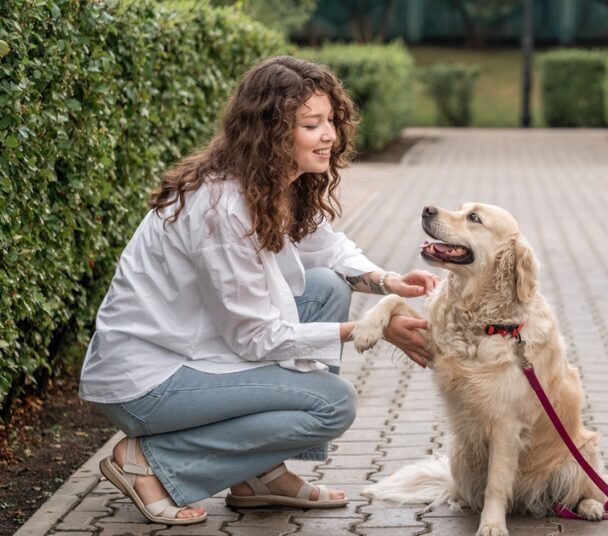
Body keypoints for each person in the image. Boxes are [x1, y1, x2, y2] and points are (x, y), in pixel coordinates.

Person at [78, 55, 436, 525]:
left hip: (197, 349)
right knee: (331, 403)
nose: (329, 134)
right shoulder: (222, 210)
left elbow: (328, 249)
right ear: (270, 132)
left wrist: (389, 282)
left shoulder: (269, 184)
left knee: (325, 286)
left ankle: (258, 473)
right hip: (149, 382)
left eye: (330, 120)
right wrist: (374, 327)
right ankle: (149, 462)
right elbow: (256, 338)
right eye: (312, 124)